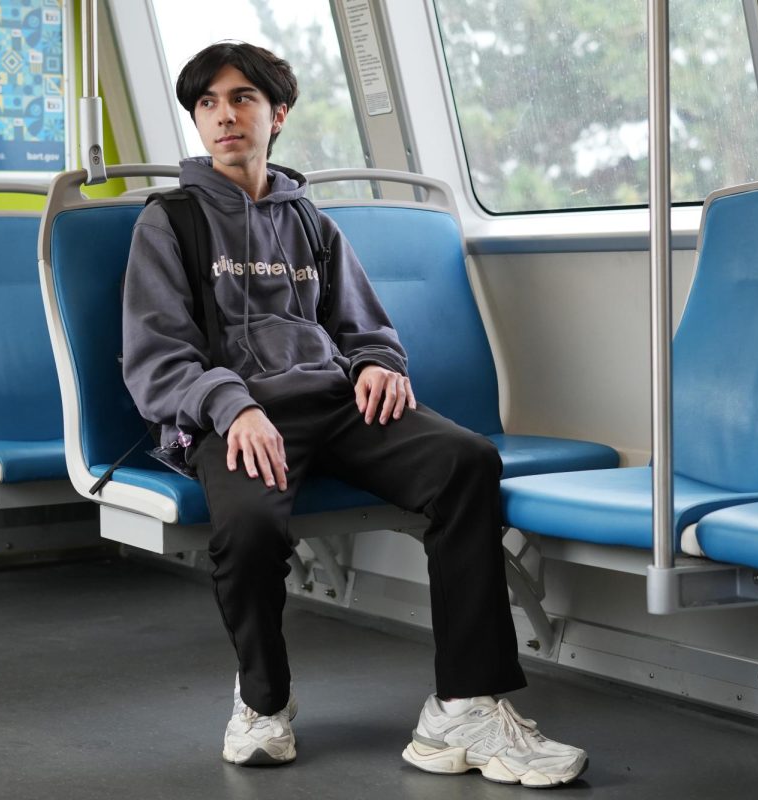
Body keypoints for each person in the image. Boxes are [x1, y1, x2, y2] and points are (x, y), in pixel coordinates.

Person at [122, 40, 588, 788]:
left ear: (277, 113)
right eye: (207, 103)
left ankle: (463, 706)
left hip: (336, 405)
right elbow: (156, 358)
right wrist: (230, 405)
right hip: (236, 414)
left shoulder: (310, 221)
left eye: (241, 99)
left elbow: (365, 327)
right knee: (246, 529)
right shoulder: (169, 224)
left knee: (465, 461)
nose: (223, 117)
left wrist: (378, 364)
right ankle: (262, 702)